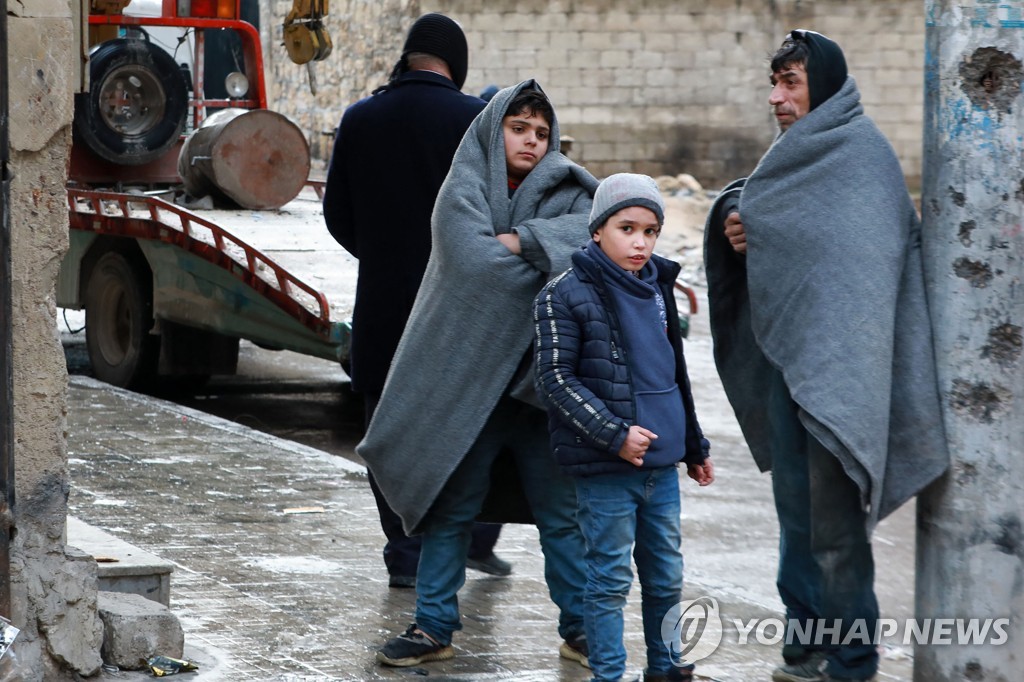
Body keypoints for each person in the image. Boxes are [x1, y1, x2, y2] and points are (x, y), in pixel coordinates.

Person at [703, 30, 949, 682]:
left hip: (844, 372)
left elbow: (869, 261)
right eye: (774, 82)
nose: (776, 97)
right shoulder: (792, 153)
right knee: (795, 518)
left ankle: (852, 658)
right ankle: (803, 644)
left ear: (825, 84)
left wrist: (757, 220)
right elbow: (759, 204)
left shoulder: (863, 156)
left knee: (837, 531)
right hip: (790, 367)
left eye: (790, 83)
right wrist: (734, 215)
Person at [361, 80, 598, 668]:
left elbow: (594, 246)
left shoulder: (572, 189)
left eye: (542, 133)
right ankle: (433, 626)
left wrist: (525, 239)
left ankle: (582, 628)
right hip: (468, 387)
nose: (532, 142)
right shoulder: (463, 187)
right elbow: (471, 267)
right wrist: (544, 263)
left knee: (561, 516)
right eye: (520, 129)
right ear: (497, 131)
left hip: (541, 388)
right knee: (451, 506)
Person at [322, 13, 510, 589]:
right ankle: (465, 540)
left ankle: (405, 552)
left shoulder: (360, 118)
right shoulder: (474, 120)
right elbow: (498, 213)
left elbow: (337, 215)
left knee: (387, 428)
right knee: (468, 425)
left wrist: (382, 255)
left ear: (408, 57)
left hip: (383, 305)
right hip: (458, 306)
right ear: (457, 64)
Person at [533, 173, 714, 682]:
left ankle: (666, 668)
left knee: (666, 577)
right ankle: (607, 674)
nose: (640, 242)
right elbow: (554, 379)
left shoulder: (659, 288)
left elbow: (672, 375)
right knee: (609, 579)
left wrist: (693, 445)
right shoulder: (563, 294)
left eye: (650, 231)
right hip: (607, 467)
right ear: (597, 230)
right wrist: (614, 434)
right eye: (626, 228)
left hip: (662, 469)